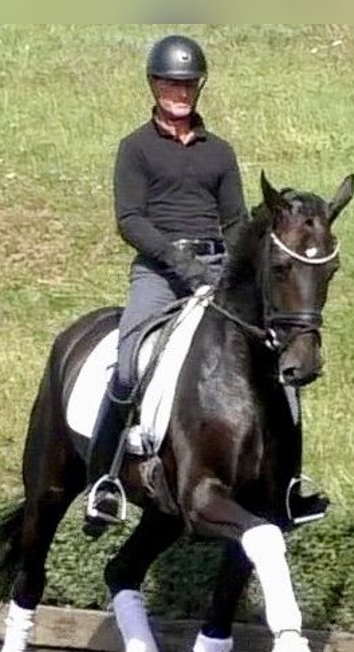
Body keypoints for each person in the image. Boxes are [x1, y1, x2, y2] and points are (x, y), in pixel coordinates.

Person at [83, 33, 328, 536]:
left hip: (216, 270)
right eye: (171, 84)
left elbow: (236, 221)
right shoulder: (135, 149)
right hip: (157, 272)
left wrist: (237, 270)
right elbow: (130, 219)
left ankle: (288, 488)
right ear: (154, 85)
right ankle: (104, 482)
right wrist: (176, 258)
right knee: (128, 363)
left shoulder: (220, 153)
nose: (180, 92)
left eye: (188, 84)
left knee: (275, 362)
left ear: (198, 88)